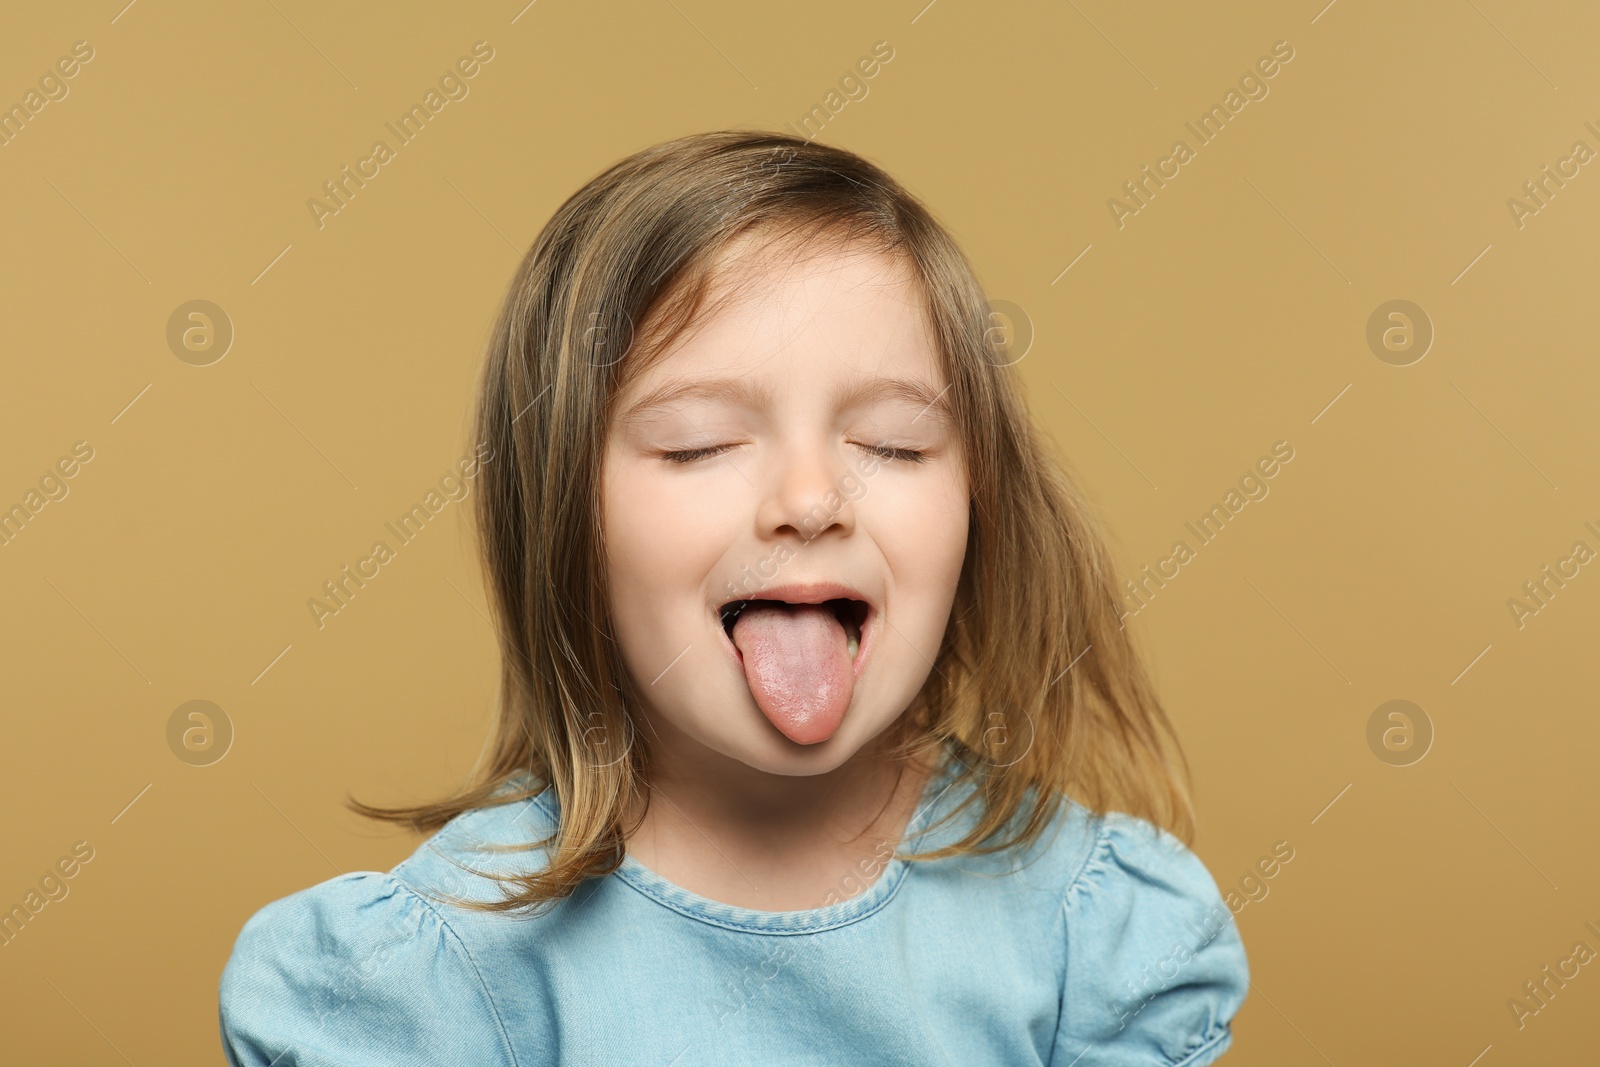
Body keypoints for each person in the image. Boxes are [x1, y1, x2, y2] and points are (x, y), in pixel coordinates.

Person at [218, 129, 1248, 1066]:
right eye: (698, 442)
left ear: (976, 498)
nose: (811, 499)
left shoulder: (1087, 929)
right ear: (566, 514)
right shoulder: (437, 976)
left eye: (891, 443)